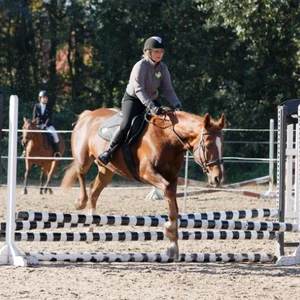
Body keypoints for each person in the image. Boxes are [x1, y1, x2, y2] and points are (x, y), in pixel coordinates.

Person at [98, 36, 182, 165]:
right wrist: (152, 107)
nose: (159, 54)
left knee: (168, 120)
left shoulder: (163, 68)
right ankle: (109, 151)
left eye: (161, 51)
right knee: (126, 124)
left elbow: (168, 89)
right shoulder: (140, 66)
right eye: (156, 51)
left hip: (151, 100)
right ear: (148, 52)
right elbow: (139, 90)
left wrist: (176, 104)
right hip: (133, 100)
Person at [32, 90, 61, 157]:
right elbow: (34, 117)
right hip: (38, 125)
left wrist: (45, 125)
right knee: (29, 134)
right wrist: (36, 125)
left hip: (48, 125)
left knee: (55, 136)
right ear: (40, 98)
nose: (45, 99)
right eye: (44, 97)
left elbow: (49, 117)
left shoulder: (49, 106)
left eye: (46, 98)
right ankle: (25, 151)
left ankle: (56, 152)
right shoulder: (36, 106)